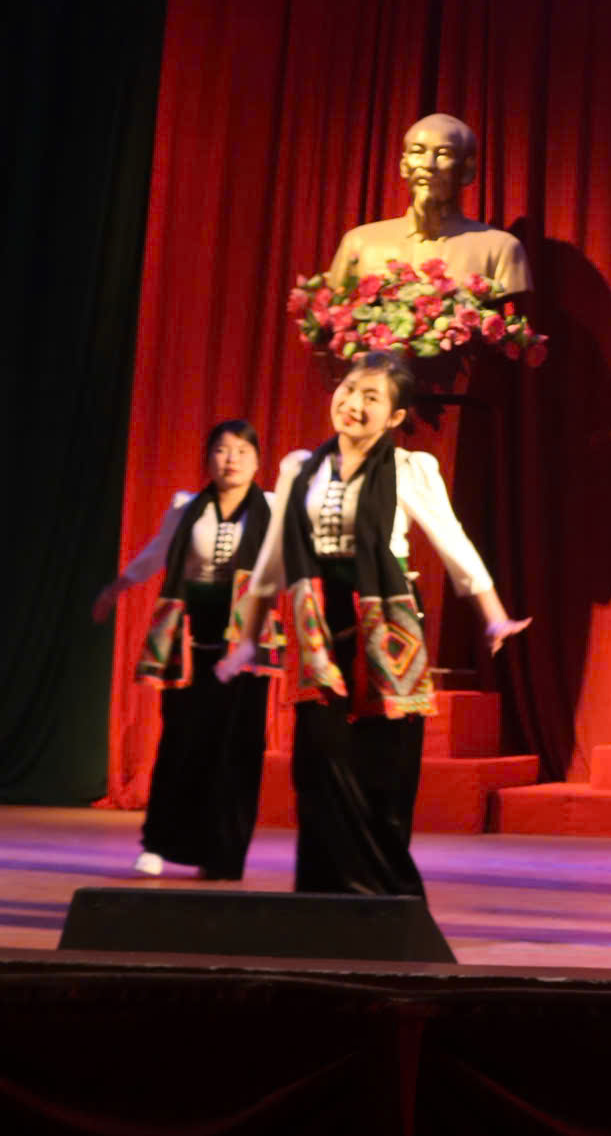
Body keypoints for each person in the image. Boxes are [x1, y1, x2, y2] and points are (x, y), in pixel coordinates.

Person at [219, 352, 531, 896]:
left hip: (387, 623)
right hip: (319, 623)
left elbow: (451, 540)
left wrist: (494, 616)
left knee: (384, 764)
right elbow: (275, 555)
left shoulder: (411, 469)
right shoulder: (299, 468)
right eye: (348, 390)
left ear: (394, 417)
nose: (353, 404)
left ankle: (383, 891)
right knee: (319, 759)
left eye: (371, 398)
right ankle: (324, 891)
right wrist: (247, 637)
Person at [94, 419, 283, 881]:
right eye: (221, 450)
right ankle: (158, 843)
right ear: (208, 458)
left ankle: (222, 853)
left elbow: (295, 559)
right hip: (191, 639)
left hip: (247, 644)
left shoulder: (274, 508)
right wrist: (118, 587)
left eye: (242, 451)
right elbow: (157, 553)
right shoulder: (186, 507)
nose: (231, 460)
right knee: (181, 741)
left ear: (258, 462)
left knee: (236, 748)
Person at [326, 113, 529, 299]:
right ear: (404, 166)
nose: (428, 165)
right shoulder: (359, 243)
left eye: (443, 153)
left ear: (467, 171)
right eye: (418, 152)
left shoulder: (501, 249)